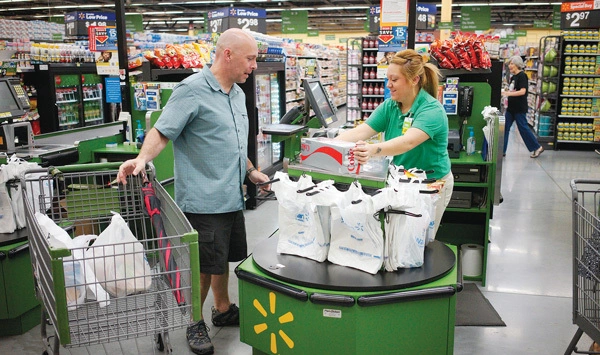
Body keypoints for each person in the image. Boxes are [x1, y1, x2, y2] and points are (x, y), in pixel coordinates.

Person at [116, 28, 270, 355]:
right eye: (250, 58)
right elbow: (162, 131)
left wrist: (251, 172)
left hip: (230, 196)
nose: (254, 65)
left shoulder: (237, 94)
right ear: (227, 54)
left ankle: (223, 308)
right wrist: (142, 158)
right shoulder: (192, 90)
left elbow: (230, 145)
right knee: (202, 265)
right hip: (202, 199)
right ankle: (192, 320)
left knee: (222, 256)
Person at [335, 48, 454, 238]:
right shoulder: (391, 106)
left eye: (394, 80)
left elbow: (408, 142)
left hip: (431, 185)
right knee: (396, 238)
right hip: (402, 180)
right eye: (388, 79)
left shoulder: (432, 109)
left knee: (418, 242)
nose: (388, 85)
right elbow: (362, 131)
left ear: (414, 80)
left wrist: (372, 150)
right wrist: (325, 144)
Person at [502, 55, 544, 158]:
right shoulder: (513, 77)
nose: (510, 66)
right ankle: (501, 150)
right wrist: (506, 91)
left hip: (519, 108)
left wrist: (508, 94)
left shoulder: (522, 76)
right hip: (511, 108)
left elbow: (522, 91)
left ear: (517, 65)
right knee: (504, 128)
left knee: (523, 128)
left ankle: (537, 147)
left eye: (512, 64)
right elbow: (514, 89)